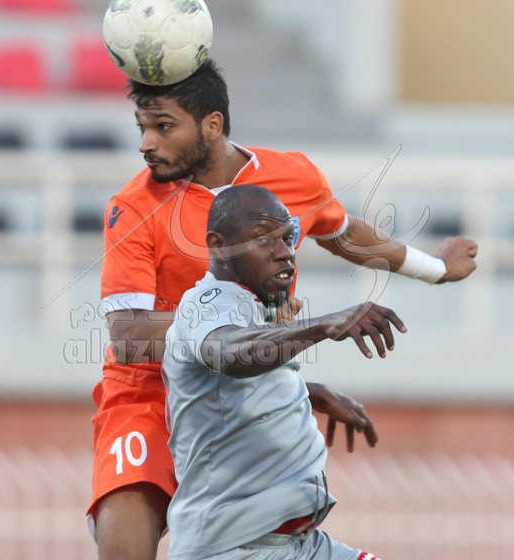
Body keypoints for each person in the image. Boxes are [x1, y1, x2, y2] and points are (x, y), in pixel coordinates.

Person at [90, 59, 478, 560]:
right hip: (145, 396)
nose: (146, 143)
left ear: (211, 125)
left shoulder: (290, 178)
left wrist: (437, 269)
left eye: (163, 127)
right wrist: (266, 341)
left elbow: (344, 235)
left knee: (271, 539)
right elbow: (130, 336)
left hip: (244, 386)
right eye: (142, 127)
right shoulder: (133, 206)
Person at [163, 184, 404, 559]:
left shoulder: (253, 307)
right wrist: (324, 324)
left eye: (288, 238)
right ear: (219, 246)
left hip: (299, 544)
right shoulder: (207, 302)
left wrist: (308, 392)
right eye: (264, 239)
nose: (285, 252)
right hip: (234, 549)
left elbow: (232, 382)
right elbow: (230, 353)